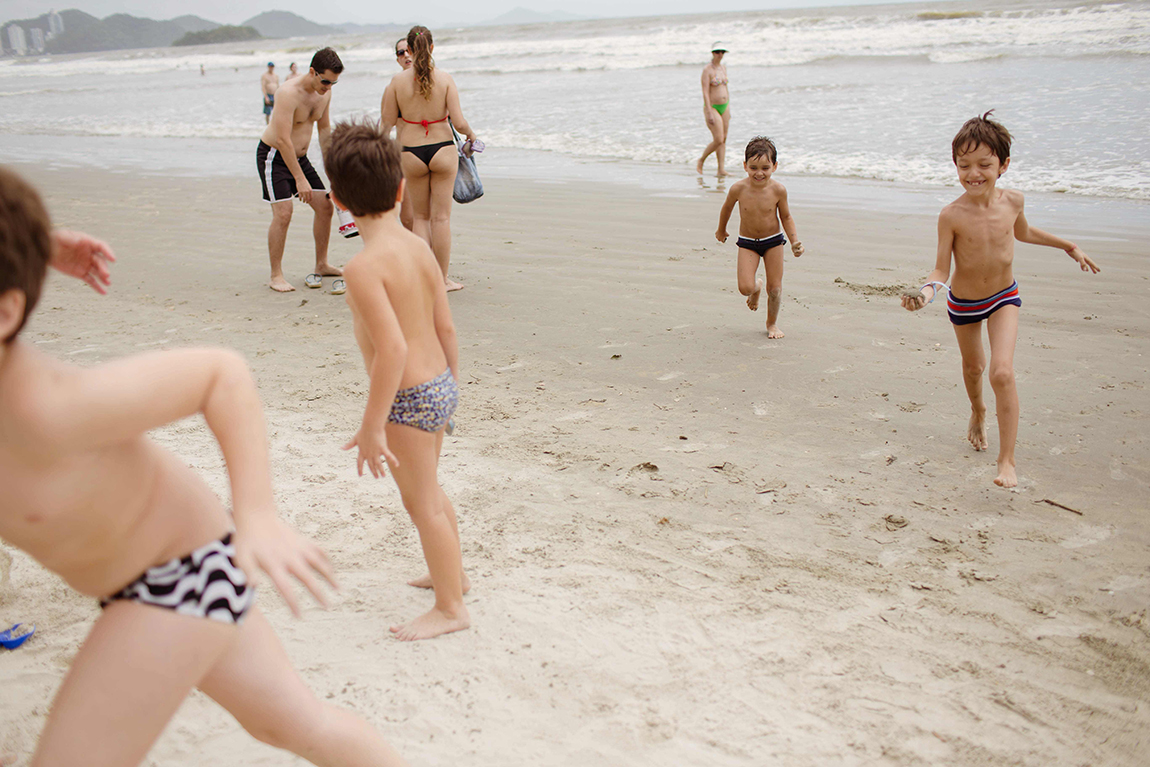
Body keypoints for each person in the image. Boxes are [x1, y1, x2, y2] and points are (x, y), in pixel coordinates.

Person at [0, 166, 406, 766]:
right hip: (160, 573)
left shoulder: (47, 410)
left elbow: (220, 375)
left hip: (176, 579)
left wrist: (258, 517)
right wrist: (36, 243)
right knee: (298, 726)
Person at [324, 120, 469, 641]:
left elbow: (392, 349)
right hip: (440, 384)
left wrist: (372, 426)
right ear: (402, 187)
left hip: (407, 398)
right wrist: (451, 387)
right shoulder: (417, 246)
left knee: (421, 503)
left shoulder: (363, 268)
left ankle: (451, 608)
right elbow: (445, 325)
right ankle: (451, 574)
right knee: (431, 490)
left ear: (338, 199)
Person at [900, 112, 1100, 488]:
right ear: (955, 166)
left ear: (1003, 165)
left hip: (1005, 297)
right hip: (964, 302)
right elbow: (941, 269)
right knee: (975, 369)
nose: (973, 173)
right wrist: (926, 294)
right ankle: (977, 411)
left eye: (984, 165)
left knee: (1002, 372)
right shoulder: (951, 215)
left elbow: (1024, 233)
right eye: (964, 165)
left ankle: (1006, 461)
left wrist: (1068, 246)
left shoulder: (1014, 202)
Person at [381, 25, 478, 293]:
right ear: (432, 48)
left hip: (410, 152)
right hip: (443, 151)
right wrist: (472, 135)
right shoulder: (445, 79)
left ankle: (424, 278)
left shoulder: (396, 82)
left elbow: (386, 124)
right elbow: (458, 122)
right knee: (441, 219)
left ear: (409, 50)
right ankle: (442, 279)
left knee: (420, 218)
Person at [257, 47, 344, 293]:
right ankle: (276, 275)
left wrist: (332, 174)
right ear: (312, 72)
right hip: (274, 156)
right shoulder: (288, 93)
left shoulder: (324, 93)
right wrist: (299, 179)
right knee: (284, 213)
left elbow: (325, 133)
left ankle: (322, 263)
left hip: (301, 157)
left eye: (333, 83)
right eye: (325, 81)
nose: (328, 87)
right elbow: (283, 140)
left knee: (325, 206)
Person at [715, 136, 804, 338]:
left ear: (774, 166)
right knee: (745, 288)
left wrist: (794, 241)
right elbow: (726, 208)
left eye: (765, 167)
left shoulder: (778, 190)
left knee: (775, 289)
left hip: (773, 241)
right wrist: (721, 229)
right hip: (747, 243)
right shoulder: (738, 188)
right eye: (754, 167)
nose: (759, 173)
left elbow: (786, 216)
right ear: (745, 166)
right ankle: (757, 288)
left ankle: (771, 324)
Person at [385, 37, 415, 231]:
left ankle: (428, 259)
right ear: (397, 59)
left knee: (431, 216)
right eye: (400, 52)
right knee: (408, 217)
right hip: (405, 153)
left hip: (432, 151)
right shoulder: (394, 86)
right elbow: (385, 124)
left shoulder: (433, 81)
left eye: (408, 50)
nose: (405, 55)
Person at [697, 42, 731, 177]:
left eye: (722, 52)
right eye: (717, 52)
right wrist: (709, 111)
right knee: (718, 139)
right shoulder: (707, 70)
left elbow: (726, 88)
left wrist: (729, 106)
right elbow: (705, 92)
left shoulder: (723, 68)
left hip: (725, 105)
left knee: (724, 138)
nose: (720, 54)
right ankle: (701, 160)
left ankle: (721, 169)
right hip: (712, 107)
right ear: (712, 53)